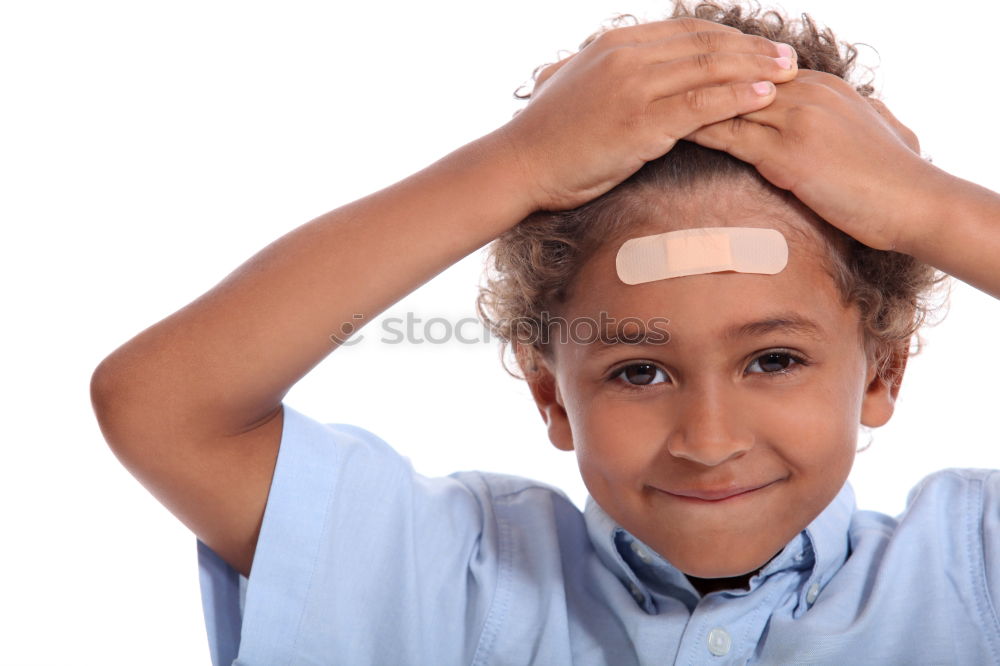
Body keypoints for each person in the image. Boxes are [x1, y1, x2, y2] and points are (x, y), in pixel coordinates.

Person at [90, 1, 1000, 663]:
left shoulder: (973, 571)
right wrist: (516, 163)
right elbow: (166, 408)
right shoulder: (457, 583)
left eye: (773, 359)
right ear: (547, 392)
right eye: (640, 371)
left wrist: (929, 209)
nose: (710, 441)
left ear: (883, 370)